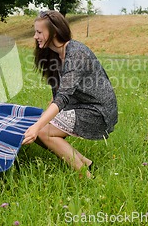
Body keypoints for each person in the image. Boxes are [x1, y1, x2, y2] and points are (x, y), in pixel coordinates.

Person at [23, 10, 118, 178]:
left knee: (42, 131)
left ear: (54, 32)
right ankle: (86, 163)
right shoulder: (53, 55)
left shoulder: (76, 54)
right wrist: (40, 122)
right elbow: (58, 94)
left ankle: (86, 177)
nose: (34, 36)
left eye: (39, 32)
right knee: (38, 129)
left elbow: (63, 97)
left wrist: (38, 127)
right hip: (79, 106)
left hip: (97, 111)